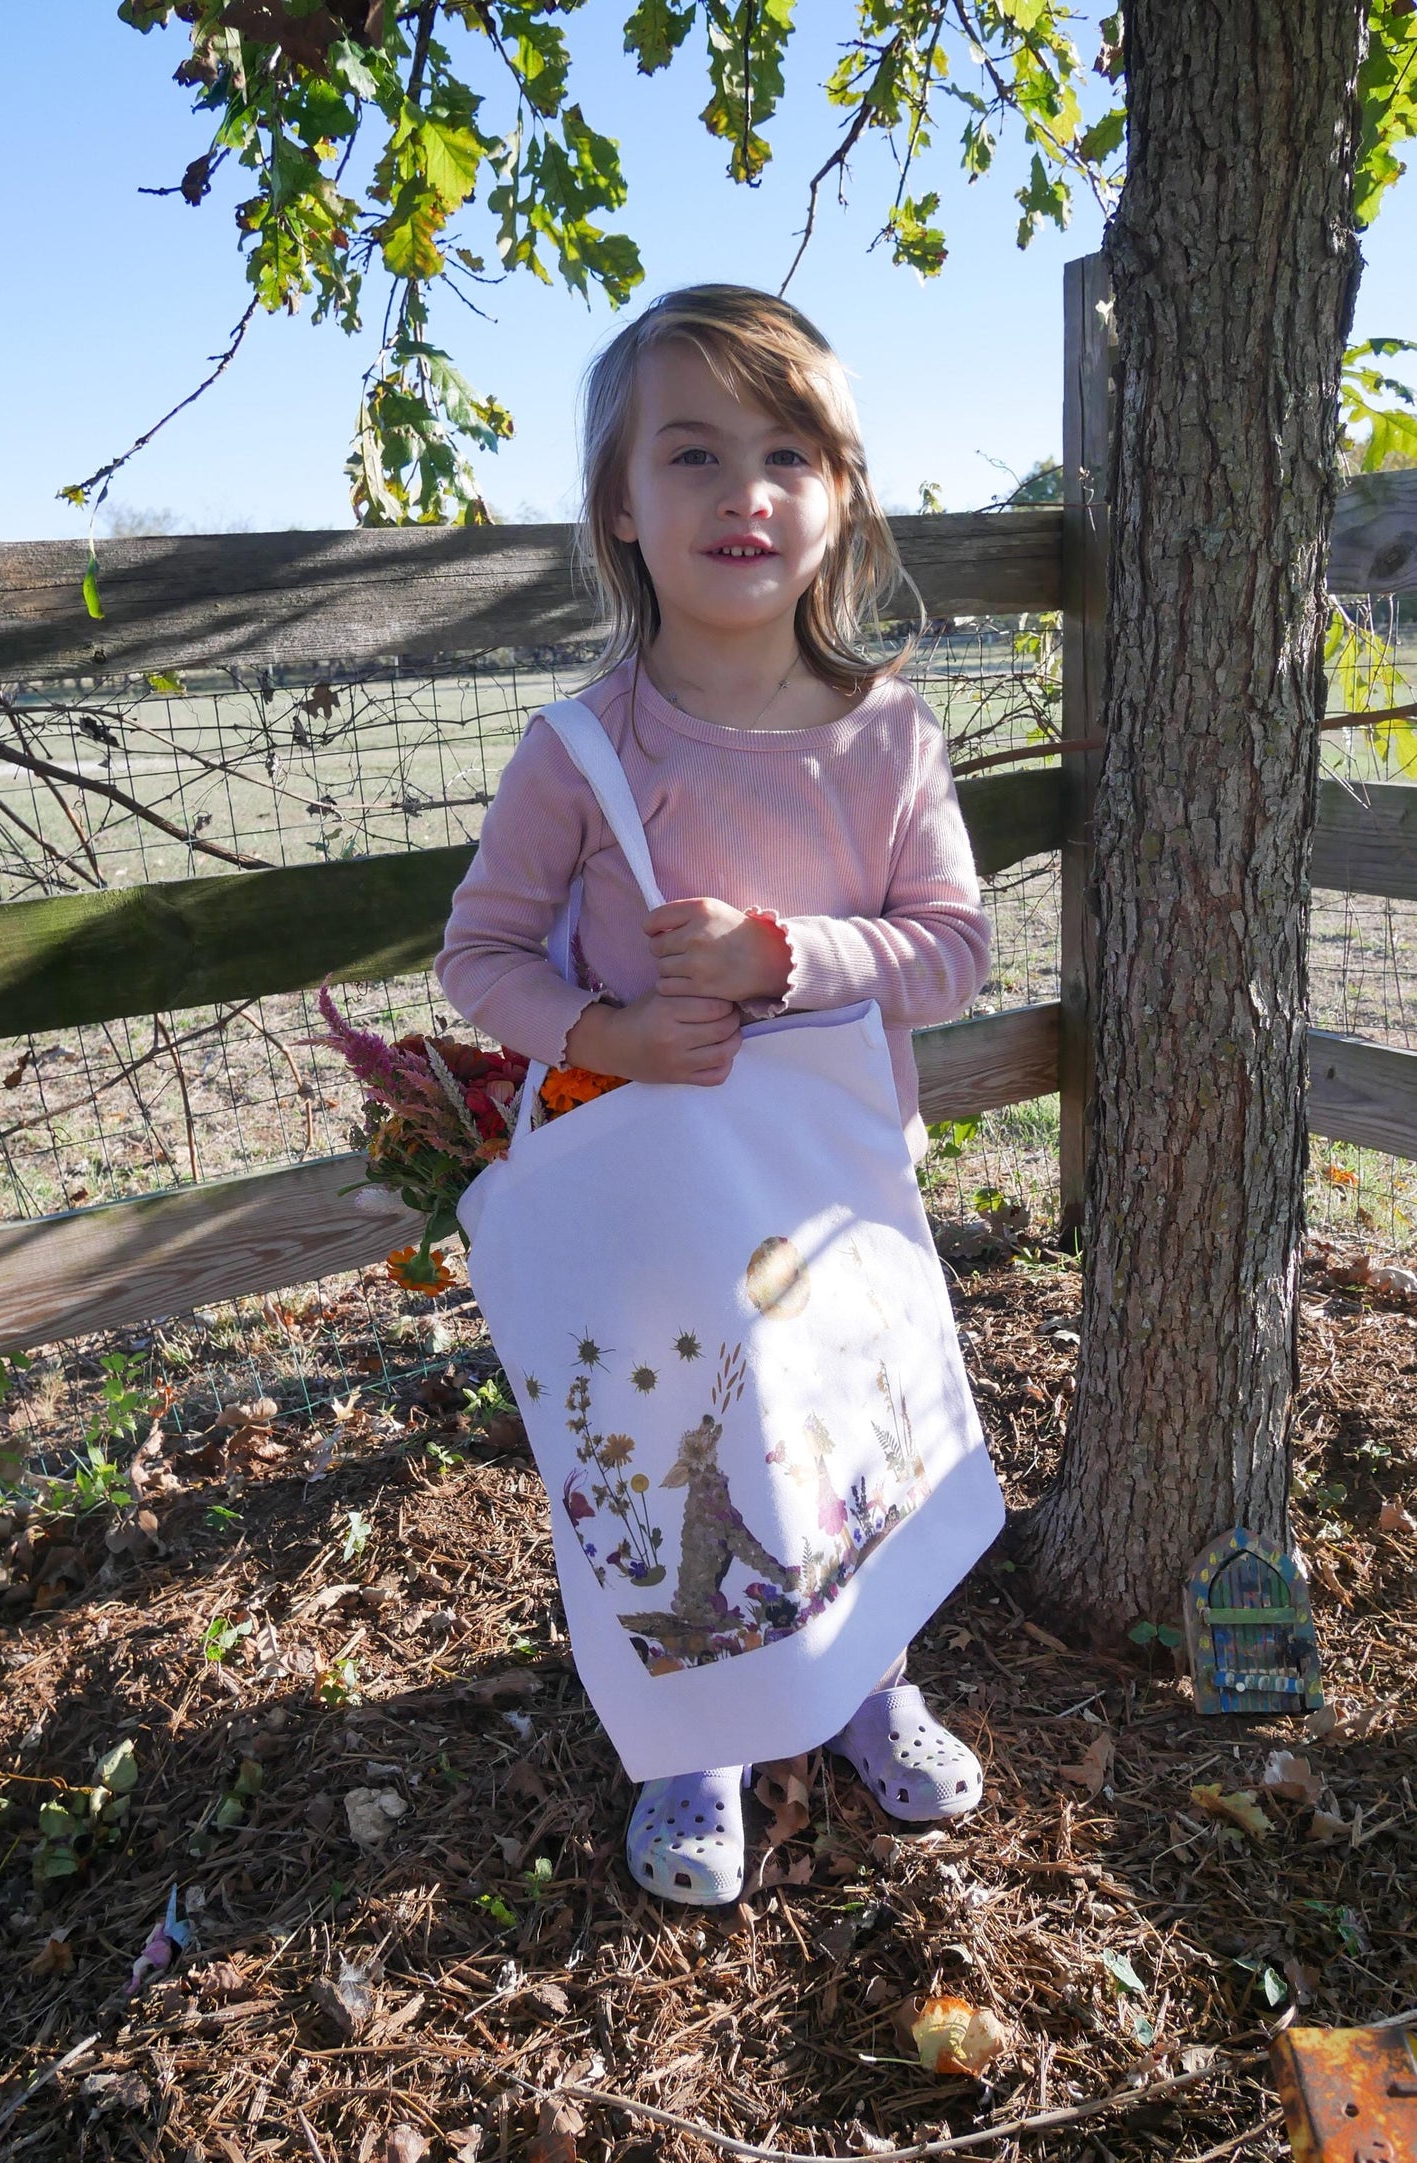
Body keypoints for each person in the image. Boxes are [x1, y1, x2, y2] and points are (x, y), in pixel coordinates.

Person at [436, 284, 998, 1907]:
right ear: (620, 504)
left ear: (840, 499)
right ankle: (699, 1742)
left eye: (784, 453)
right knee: (681, 1465)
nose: (742, 492)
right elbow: (479, 960)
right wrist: (606, 1032)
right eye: (690, 454)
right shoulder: (583, 750)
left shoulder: (886, 740)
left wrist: (788, 958)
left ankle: (870, 1675)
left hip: (834, 1196)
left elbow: (949, 953)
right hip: (653, 1217)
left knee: (841, 1446)